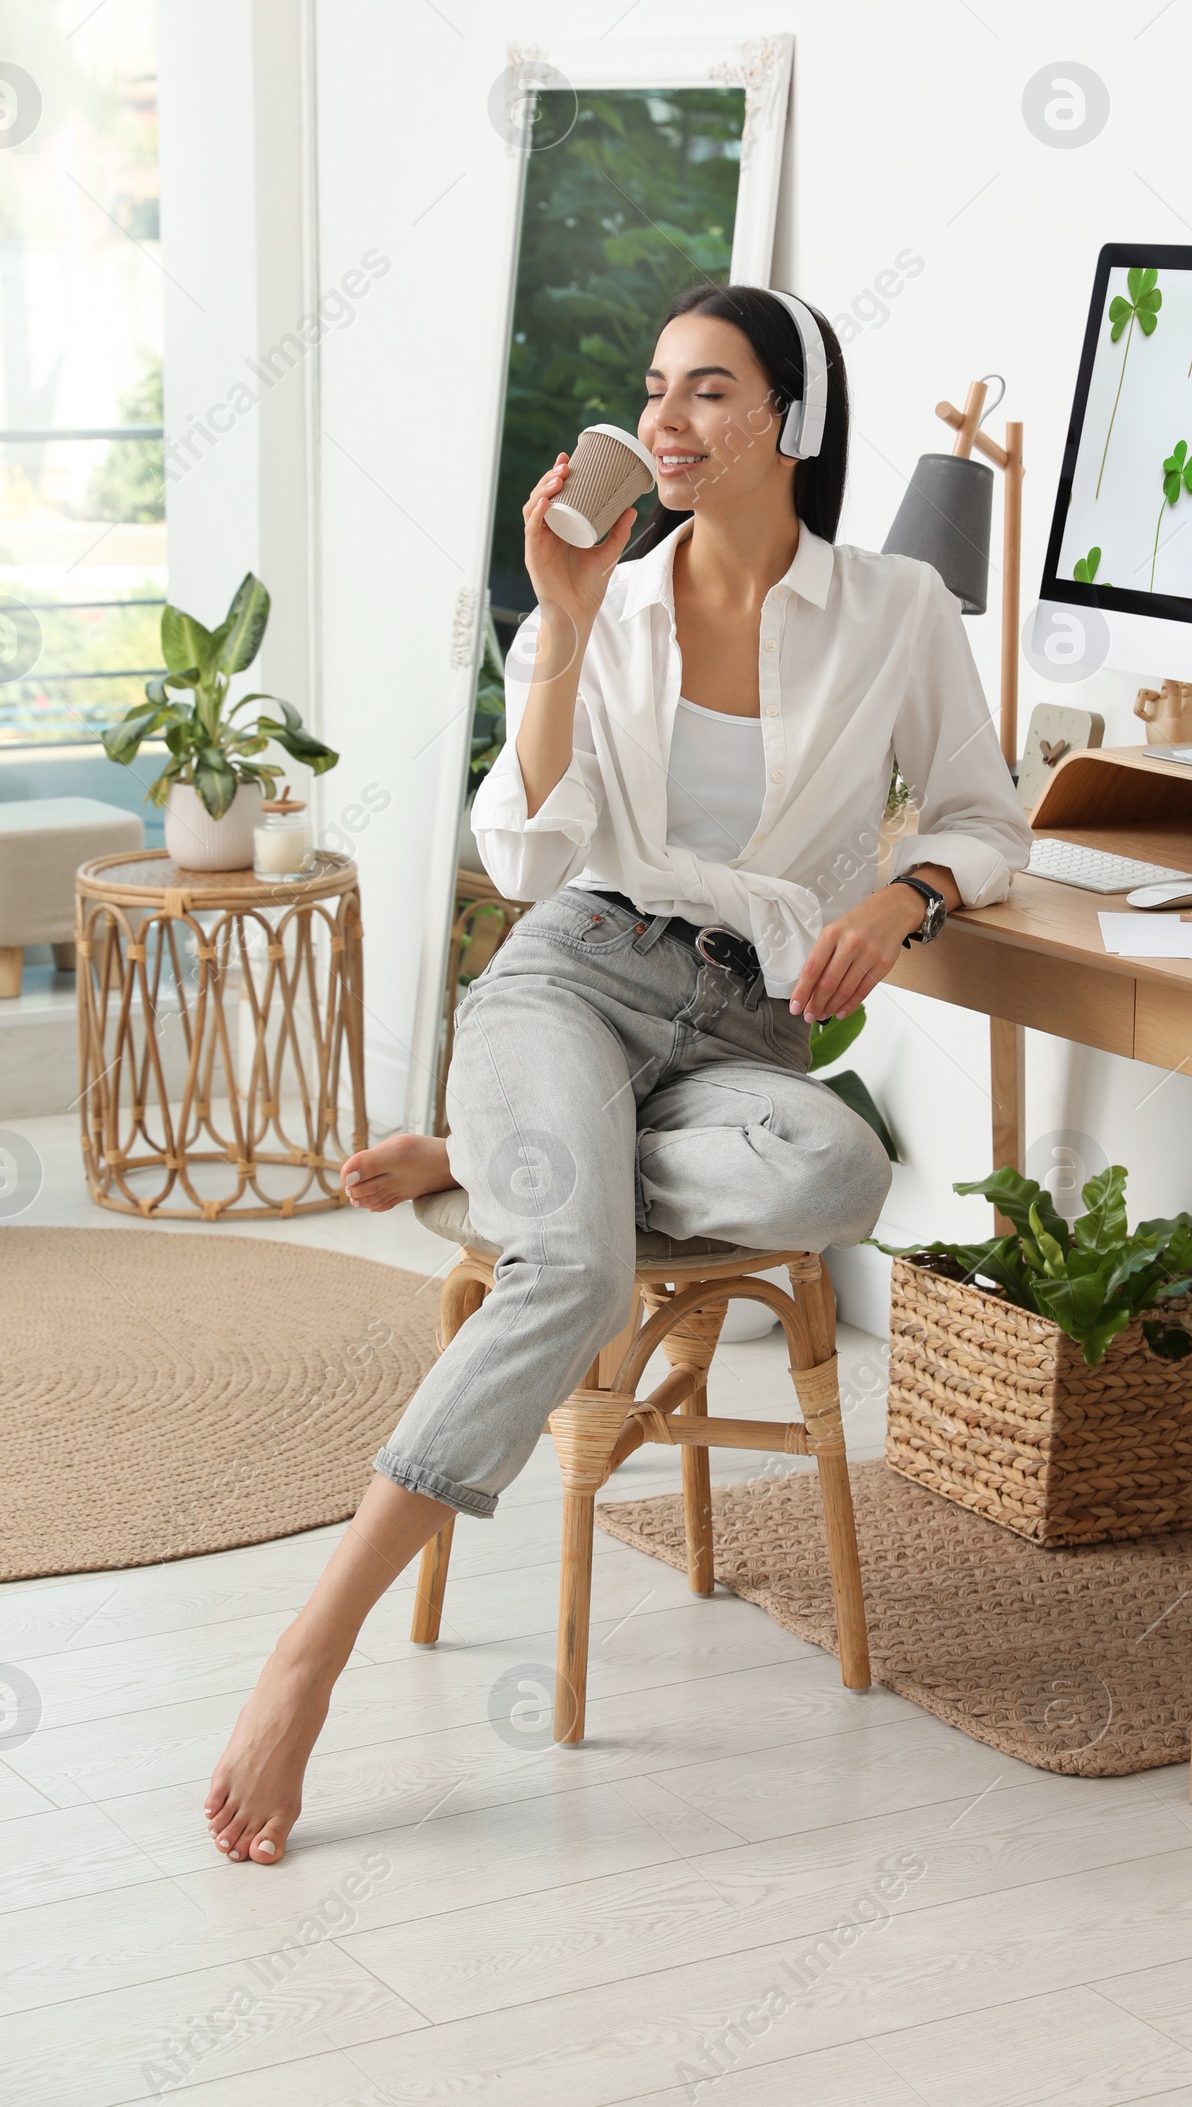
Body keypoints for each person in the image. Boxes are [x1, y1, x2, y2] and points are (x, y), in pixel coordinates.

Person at [204, 283, 1031, 1864]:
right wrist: (566, 630)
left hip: (743, 1034)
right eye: (658, 390)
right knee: (575, 1274)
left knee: (840, 1171)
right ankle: (309, 1655)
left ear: (791, 420)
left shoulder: (898, 612)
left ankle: (506, 1150)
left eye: (710, 391)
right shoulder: (610, 606)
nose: (666, 421)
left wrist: (899, 895)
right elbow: (520, 859)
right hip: (574, 971)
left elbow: (989, 824)